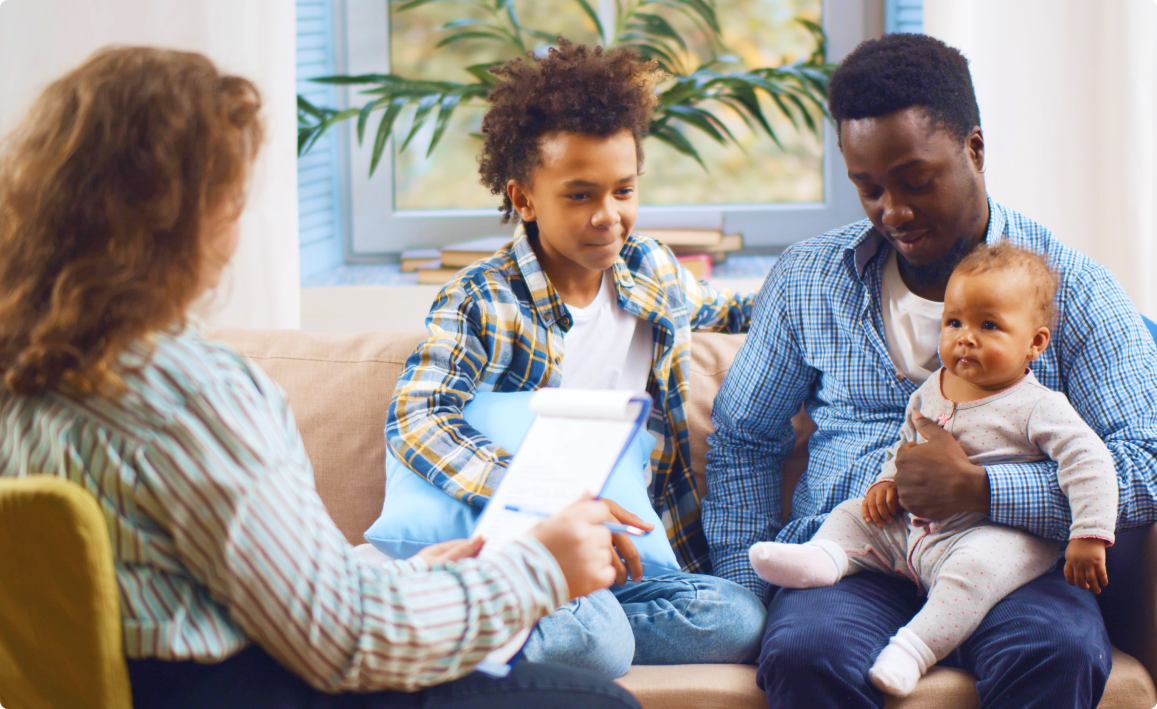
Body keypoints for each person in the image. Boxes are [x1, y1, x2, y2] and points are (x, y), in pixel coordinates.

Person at [0, 46, 641, 709]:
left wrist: (418, 579)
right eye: (230, 196)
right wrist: (536, 569)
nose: (236, 224)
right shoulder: (188, 393)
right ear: (179, 217)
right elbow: (339, 637)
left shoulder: (21, 375)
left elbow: (198, 588)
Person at [704, 32, 1157, 708]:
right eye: (868, 189)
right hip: (856, 559)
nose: (893, 211)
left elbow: (1144, 465)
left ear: (972, 149)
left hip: (1015, 564)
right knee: (804, 653)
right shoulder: (807, 279)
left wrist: (982, 489)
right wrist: (744, 598)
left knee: (1056, 650)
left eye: (915, 181)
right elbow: (743, 439)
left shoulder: (1074, 290)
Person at [386, 40, 766, 679]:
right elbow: (415, 417)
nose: (608, 217)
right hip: (519, 552)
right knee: (604, 646)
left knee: (738, 618)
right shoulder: (481, 298)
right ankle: (469, 616)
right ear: (526, 198)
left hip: (615, 567)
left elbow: (728, 313)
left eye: (623, 190)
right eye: (580, 195)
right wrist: (543, 499)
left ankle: (520, 630)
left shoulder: (652, 269)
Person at [748, 243, 1118, 697]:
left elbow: (1092, 461)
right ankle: (826, 556)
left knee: (987, 580)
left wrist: (1089, 533)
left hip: (991, 536)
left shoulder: (1039, 407)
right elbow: (906, 447)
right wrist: (887, 483)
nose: (965, 337)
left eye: (989, 326)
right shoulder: (933, 388)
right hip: (910, 538)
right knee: (849, 517)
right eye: (954, 322)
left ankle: (914, 649)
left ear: (1035, 343)